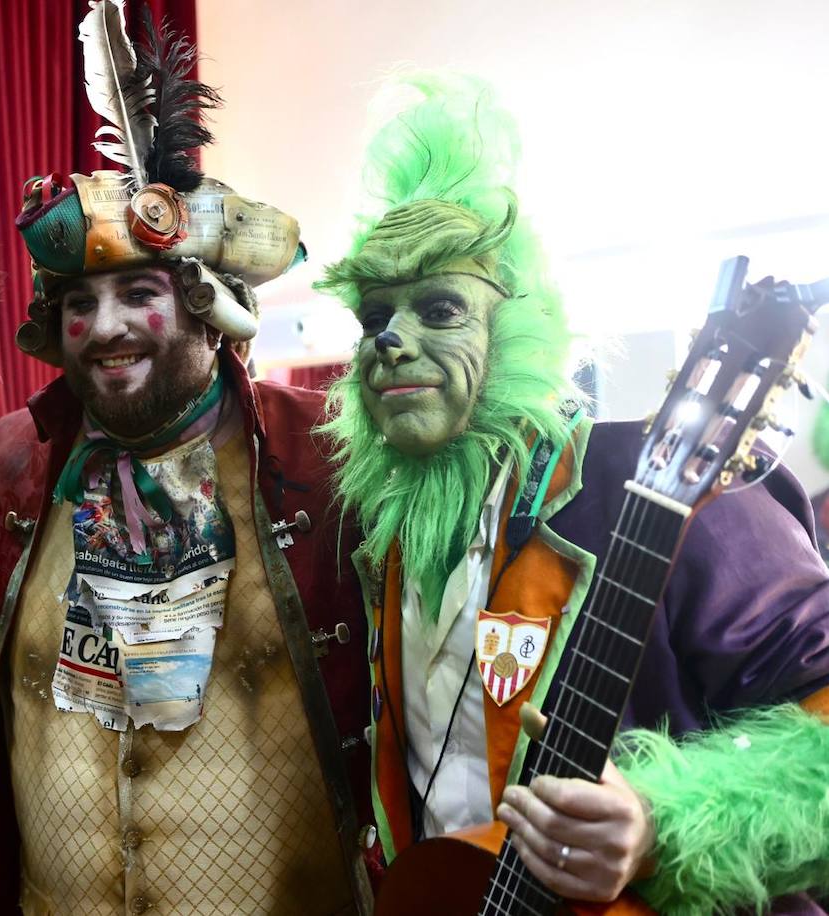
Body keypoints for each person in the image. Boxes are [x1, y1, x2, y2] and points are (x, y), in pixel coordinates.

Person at [320, 74, 829, 914]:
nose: (391, 342)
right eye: (374, 316)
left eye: (440, 307)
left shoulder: (672, 491)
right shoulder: (387, 543)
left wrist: (670, 822)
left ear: (515, 325)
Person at [0, 4, 376, 914]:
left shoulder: (328, 459)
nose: (105, 328)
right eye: (80, 302)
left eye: (139, 292)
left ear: (203, 302)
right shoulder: (14, 464)